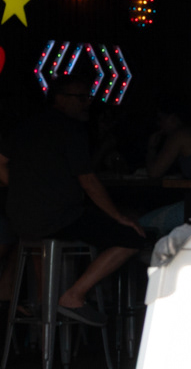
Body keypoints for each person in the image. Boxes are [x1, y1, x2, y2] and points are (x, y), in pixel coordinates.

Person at [0, 72, 147, 328]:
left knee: (51, 238)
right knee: (132, 238)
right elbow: (88, 180)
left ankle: (46, 319)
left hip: (22, 220)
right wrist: (118, 216)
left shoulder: (26, 126)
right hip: (58, 218)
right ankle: (73, 296)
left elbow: (0, 163)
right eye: (81, 98)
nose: (87, 102)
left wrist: (23, 191)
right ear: (60, 98)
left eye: (88, 97)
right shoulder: (70, 128)